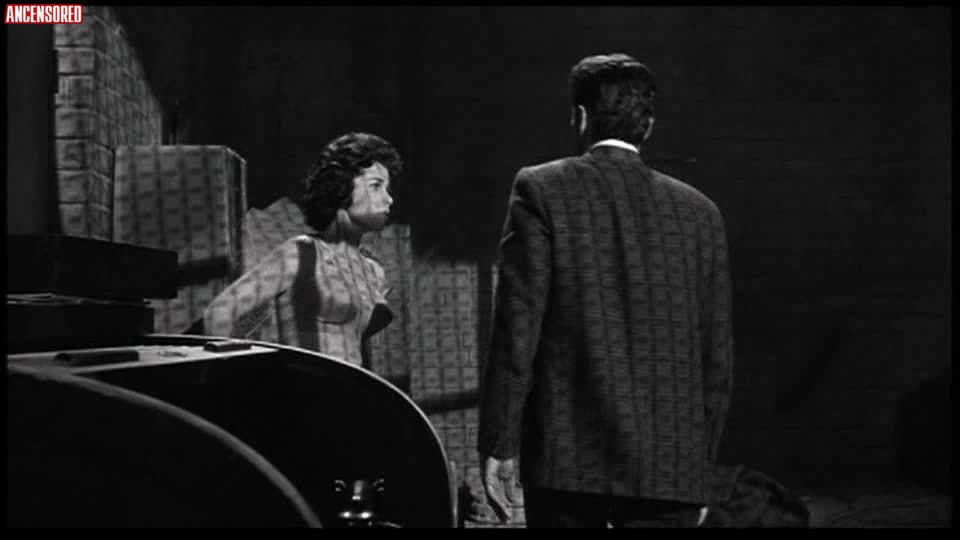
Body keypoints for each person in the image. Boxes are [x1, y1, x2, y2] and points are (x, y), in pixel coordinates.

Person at [477, 53, 735, 528]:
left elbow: (517, 328)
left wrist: (499, 440)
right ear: (648, 125)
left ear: (580, 116)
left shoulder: (541, 189)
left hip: (567, 458)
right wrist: (701, 469)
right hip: (671, 465)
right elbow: (716, 359)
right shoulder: (701, 213)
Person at [203, 132, 401, 368]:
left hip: (349, 388)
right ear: (341, 186)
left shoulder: (373, 272)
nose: (388, 199)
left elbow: (356, 347)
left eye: (387, 188)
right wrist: (234, 380)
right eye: (376, 186)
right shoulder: (301, 254)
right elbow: (220, 313)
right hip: (303, 387)